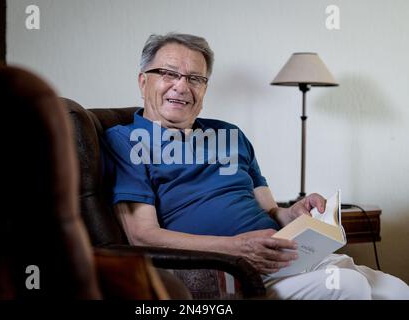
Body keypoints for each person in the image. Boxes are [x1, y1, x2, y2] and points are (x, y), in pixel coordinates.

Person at [103, 32, 409, 299]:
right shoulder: (127, 140)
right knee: (348, 286)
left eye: (195, 78)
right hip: (237, 272)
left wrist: (297, 212)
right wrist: (235, 247)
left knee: (398, 291)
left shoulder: (230, 134)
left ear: (204, 89)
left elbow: (272, 210)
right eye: (169, 73)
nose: (182, 87)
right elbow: (142, 235)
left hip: (290, 257)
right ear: (144, 81)